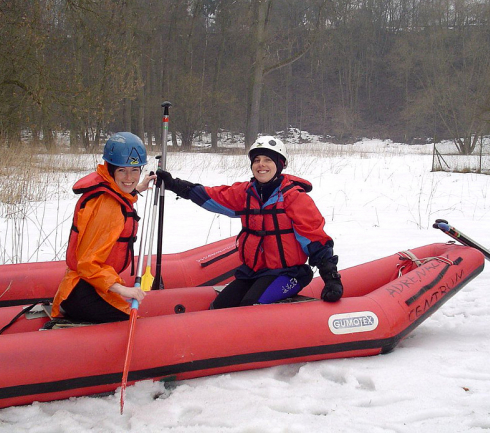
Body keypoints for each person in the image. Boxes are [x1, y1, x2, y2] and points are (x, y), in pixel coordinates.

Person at [156, 135, 343, 309]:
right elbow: (211, 196)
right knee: (219, 307)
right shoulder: (245, 193)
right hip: (252, 272)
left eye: (268, 160)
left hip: (288, 274)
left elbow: (316, 240)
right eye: (256, 160)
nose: (261, 165)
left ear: (280, 164)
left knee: (250, 306)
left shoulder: (294, 198)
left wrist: (331, 279)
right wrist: (174, 184)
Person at [51, 132, 156, 323]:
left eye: (134, 170)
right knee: (131, 322)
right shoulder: (108, 209)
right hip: (82, 291)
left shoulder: (110, 189)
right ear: (111, 170)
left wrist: (138, 187)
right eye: (122, 171)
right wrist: (123, 289)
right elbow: (87, 263)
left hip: (92, 284)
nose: (129, 177)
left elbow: (121, 189)